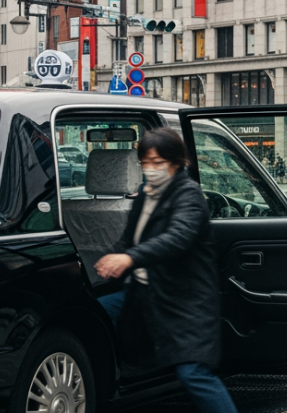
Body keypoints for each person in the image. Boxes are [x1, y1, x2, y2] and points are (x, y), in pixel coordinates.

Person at [94, 128, 238, 413]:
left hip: (184, 301)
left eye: (157, 162)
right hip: (142, 295)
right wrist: (111, 259)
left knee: (193, 372)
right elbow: (130, 238)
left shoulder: (189, 195)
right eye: (145, 162)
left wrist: (129, 259)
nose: (151, 169)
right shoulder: (145, 194)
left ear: (176, 162)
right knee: (93, 319)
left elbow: (177, 238)